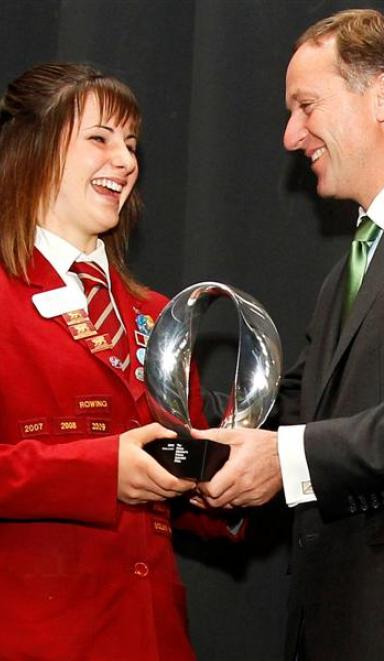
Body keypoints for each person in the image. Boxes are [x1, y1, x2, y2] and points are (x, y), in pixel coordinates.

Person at [193, 9, 384, 660]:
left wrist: (290, 461)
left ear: (383, 95)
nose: (290, 135)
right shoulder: (344, 275)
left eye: (306, 106)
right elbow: (292, 415)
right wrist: (170, 424)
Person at [0, 62, 239, 661]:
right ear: (34, 147)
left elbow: (181, 475)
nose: (126, 159)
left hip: (152, 637)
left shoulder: (159, 314)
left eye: (130, 144)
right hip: (36, 637)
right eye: (100, 138)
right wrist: (100, 471)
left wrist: (231, 480)